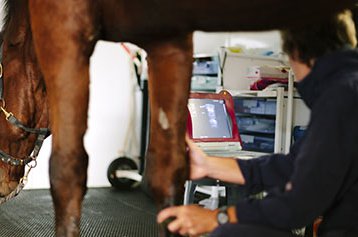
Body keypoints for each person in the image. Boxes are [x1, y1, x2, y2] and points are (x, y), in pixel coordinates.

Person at [157, 9, 358, 237]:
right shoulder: (347, 88)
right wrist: (208, 164)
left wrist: (217, 218)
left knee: (229, 234)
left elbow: (298, 205)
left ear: (297, 52)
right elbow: (293, 166)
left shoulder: (340, 98)